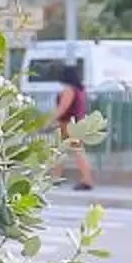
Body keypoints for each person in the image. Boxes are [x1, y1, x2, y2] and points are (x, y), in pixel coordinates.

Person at [48, 61, 97, 191]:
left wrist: (50, 119)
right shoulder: (81, 90)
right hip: (77, 123)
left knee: (70, 151)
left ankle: (86, 179)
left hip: (69, 124)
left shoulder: (69, 90)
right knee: (66, 151)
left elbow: (63, 107)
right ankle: (57, 177)